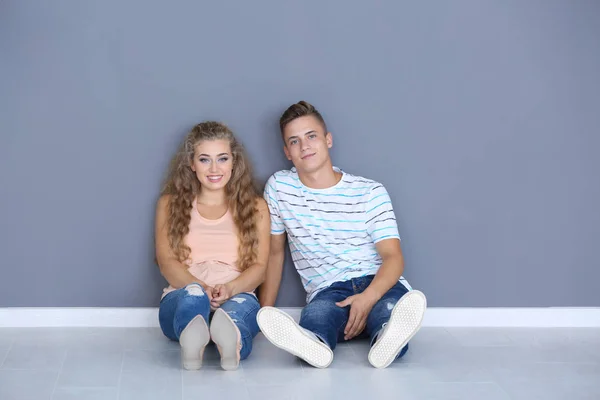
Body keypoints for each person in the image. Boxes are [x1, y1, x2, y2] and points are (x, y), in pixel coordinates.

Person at [257, 101, 426, 369]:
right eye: (295, 141)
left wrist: (368, 297)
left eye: (311, 136)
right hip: (327, 289)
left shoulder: (370, 192)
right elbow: (274, 252)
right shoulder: (279, 188)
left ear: (328, 139)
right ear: (287, 152)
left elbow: (393, 258)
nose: (305, 147)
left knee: (388, 311)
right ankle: (314, 344)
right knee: (317, 317)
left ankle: (387, 339)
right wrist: (263, 312)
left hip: (378, 281)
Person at [155, 121, 270, 371]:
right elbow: (166, 262)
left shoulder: (256, 207)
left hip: (235, 292)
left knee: (239, 313)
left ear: (234, 162)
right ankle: (192, 335)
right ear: (191, 163)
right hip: (184, 291)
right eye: (205, 159)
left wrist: (230, 289)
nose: (214, 168)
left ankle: (230, 340)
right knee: (193, 299)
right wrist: (200, 287)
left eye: (223, 158)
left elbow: (260, 267)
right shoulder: (169, 204)